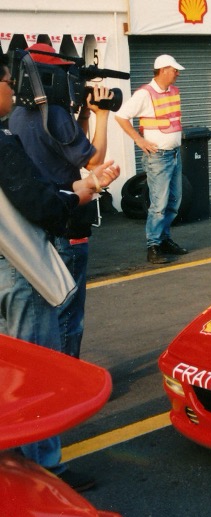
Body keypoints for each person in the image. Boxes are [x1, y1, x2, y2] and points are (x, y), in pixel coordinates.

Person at [0, 54, 121, 491]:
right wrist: (80, 196)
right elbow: (38, 203)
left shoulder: (15, 123)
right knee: (40, 366)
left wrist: (75, 187)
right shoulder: (10, 137)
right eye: (6, 82)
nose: (11, 90)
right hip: (21, 265)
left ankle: (15, 464)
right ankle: (44, 471)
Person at [9, 44, 112, 359]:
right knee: (69, 315)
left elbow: (68, 146)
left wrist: (81, 114)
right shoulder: (53, 113)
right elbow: (94, 162)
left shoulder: (20, 114)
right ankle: (71, 382)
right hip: (69, 222)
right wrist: (103, 115)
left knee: (48, 313)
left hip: (42, 223)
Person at [115, 54, 189, 265]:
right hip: (158, 157)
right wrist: (139, 139)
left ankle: (164, 240)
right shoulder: (144, 94)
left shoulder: (173, 91)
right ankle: (153, 246)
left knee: (174, 201)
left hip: (174, 154)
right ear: (163, 70)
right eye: (174, 70)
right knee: (159, 203)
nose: (177, 73)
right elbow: (121, 115)